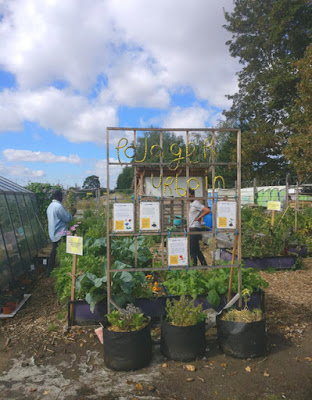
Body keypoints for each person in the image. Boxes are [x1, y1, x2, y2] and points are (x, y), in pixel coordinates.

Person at [46, 190, 76, 276]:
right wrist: (72, 213)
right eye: (62, 196)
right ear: (59, 196)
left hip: (53, 232)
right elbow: (67, 218)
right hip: (61, 233)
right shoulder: (58, 206)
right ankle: (65, 270)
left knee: (54, 252)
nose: (63, 198)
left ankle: (49, 271)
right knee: (65, 251)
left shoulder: (50, 206)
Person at [188, 188, 211, 266]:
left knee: (192, 250)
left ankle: (194, 267)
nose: (189, 198)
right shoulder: (191, 204)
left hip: (195, 228)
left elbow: (207, 210)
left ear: (193, 195)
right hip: (192, 228)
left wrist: (199, 217)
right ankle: (204, 265)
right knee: (196, 249)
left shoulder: (196, 203)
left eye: (190, 196)